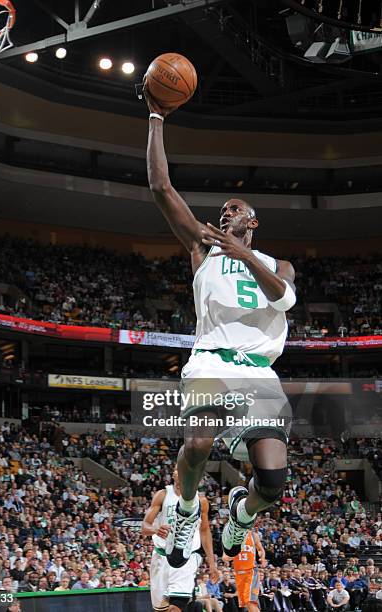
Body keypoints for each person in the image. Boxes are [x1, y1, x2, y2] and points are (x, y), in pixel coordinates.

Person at [144, 82, 295, 569]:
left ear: (254, 222)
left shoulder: (278, 262)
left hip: (260, 375)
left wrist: (246, 255)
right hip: (210, 361)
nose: (226, 213)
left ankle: (242, 514)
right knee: (199, 441)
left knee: (273, 483)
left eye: (236, 210)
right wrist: (156, 118)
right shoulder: (202, 247)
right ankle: (187, 510)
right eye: (223, 210)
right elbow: (160, 187)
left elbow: (283, 297)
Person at [142, 467, 218, 612]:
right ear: (173, 475)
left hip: (186, 558)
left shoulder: (201, 500)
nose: (179, 471)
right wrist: (155, 530)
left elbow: (205, 531)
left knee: (175, 608)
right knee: (161, 609)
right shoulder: (163, 495)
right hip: (161, 556)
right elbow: (144, 527)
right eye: (176, 469)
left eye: (182, 468)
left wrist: (212, 563)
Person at [232, 530, 266, 612]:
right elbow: (226, 556)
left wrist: (262, 558)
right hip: (239, 573)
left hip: (251, 572)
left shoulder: (254, 535)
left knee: (250, 602)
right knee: (247, 604)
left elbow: (260, 549)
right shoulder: (232, 535)